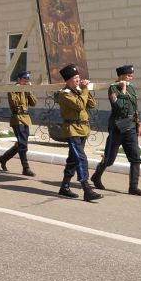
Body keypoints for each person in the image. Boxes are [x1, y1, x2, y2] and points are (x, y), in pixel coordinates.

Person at [91, 64, 141, 196]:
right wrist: (122, 90)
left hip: (131, 127)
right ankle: (96, 176)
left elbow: (135, 107)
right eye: (129, 75)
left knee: (136, 158)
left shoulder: (132, 88)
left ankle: (133, 187)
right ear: (121, 76)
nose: (131, 77)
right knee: (109, 159)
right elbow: (119, 107)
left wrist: (139, 124)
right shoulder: (113, 88)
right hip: (117, 128)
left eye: (131, 75)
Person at [56, 64, 101, 202]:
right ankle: (87, 189)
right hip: (72, 130)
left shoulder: (78, 91)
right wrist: (84, 90)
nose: (78, 80)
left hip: (83, 129)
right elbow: (80, 105)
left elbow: (92, 105)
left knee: (72, 160)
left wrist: (84, 90)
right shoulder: (64, 94)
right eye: (75, 78)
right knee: (81, 158)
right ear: (68, 80)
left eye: (78, 77)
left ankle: (64, 187)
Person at [0, 71, 38, 176]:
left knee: (21, 143)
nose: (26, 82)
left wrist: (29, 90)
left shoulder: (26, 89)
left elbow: (34, 103)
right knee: (23, 144)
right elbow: (15, 103)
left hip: (26, 118)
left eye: (27, 80)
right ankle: (26, 168)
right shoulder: (12, 89)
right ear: (19, 80)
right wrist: (20, 90)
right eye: (24, 80)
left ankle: (3, 158)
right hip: (17, 118)